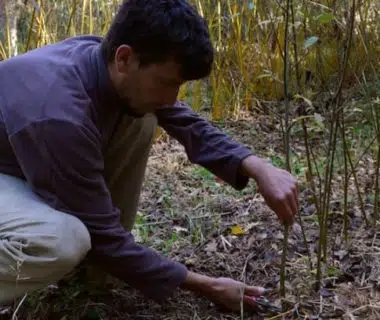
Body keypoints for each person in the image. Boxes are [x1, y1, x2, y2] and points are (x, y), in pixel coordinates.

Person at [0, 0, 298, 312]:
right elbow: (103, 236)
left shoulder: (103, 62)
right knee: (61, 242)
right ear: (124, 57)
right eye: (167, 82)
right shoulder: (59, 114)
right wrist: (206, 285)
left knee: (143, 117)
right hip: (15, 166)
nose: (172, 97)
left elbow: (184, 121)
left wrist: (259, 168)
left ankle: (94, 276)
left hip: (21, 160)